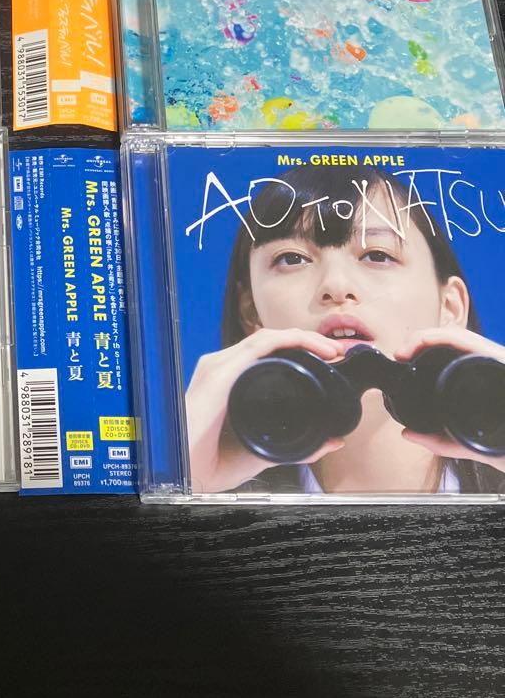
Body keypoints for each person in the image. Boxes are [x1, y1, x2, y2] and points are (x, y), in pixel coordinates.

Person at [186, 163, 505, 495]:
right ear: (251, 311)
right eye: (292, 259)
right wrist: (190, 485)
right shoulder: (204, 488)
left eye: (377, 255)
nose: (336, 286)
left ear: (450, 307)